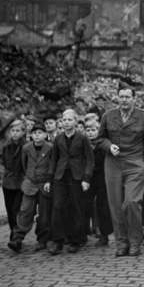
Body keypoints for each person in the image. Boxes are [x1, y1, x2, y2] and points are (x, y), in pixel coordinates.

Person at [98, 87, 144, 257]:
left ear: (133, 99)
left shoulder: (143, 116)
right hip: (113, 163)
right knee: (115, 205)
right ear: (117, 98)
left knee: (131, 203)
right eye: (121, 97)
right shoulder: (108, 116)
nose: (124, 100)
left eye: (127, 97)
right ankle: (121, 243)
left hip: (135, 163)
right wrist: (109, 146)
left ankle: (135, 242)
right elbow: (100, 138)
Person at [47, 109, 94, 255]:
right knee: (57, 207)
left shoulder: (82, 138)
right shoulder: (58, 139)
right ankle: (58, 241)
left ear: (75, 121)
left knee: (76, 207)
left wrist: (86, 179)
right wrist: (49, 179)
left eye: (69, 120)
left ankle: (75, 240)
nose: (66, 122)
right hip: (60, 177)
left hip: (77, 177)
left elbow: (89, 160)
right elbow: (54, 160)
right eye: (64, 120)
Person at [8, 121, 53, 253]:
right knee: (25, 211)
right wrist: (29, 176)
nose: (37, 136)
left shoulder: (50, 148)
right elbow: (24, 164)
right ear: (31, 135)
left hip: (44, 184)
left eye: (40, 133)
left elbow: (52, 165)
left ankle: (42, 240)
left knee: (44, 214)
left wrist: (48, 181)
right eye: (34, 133)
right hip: (30, 183)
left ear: (45, 134)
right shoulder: (26, 148)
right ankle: (17, 239)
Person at [84, 119, 113, 247]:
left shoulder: (104, 143)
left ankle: (104, 234)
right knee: (84, 204)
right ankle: (83, 232)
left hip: (102, 177)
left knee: (103, 206)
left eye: (93, 130)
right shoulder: (83, 144)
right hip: (87, 177)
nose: (90, 133)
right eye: (88, 130)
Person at [1, 119, 25, 239]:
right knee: (9, 209)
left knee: (16, 209)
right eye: (13, 131)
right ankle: (13, 230)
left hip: (20, 182)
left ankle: (17, 234)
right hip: (8, 182)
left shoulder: (25, 146)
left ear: (23, 132)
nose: (15, 133)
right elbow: (3, 161)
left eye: (17, 131)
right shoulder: (6, 146)